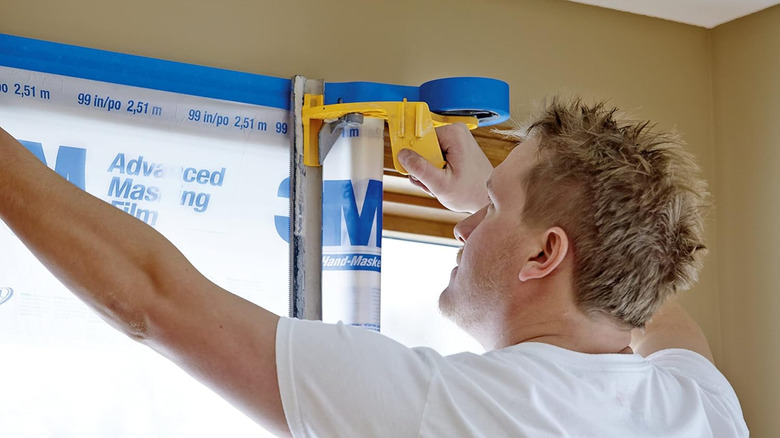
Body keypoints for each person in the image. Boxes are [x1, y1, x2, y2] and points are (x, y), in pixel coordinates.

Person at [0, 97, 748, 437]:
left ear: (545, 254)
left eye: (489, 208)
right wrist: (488, 209)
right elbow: (643, 308)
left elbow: (154, 299)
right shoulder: (698, 408)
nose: (466, 231)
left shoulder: (451, 413)